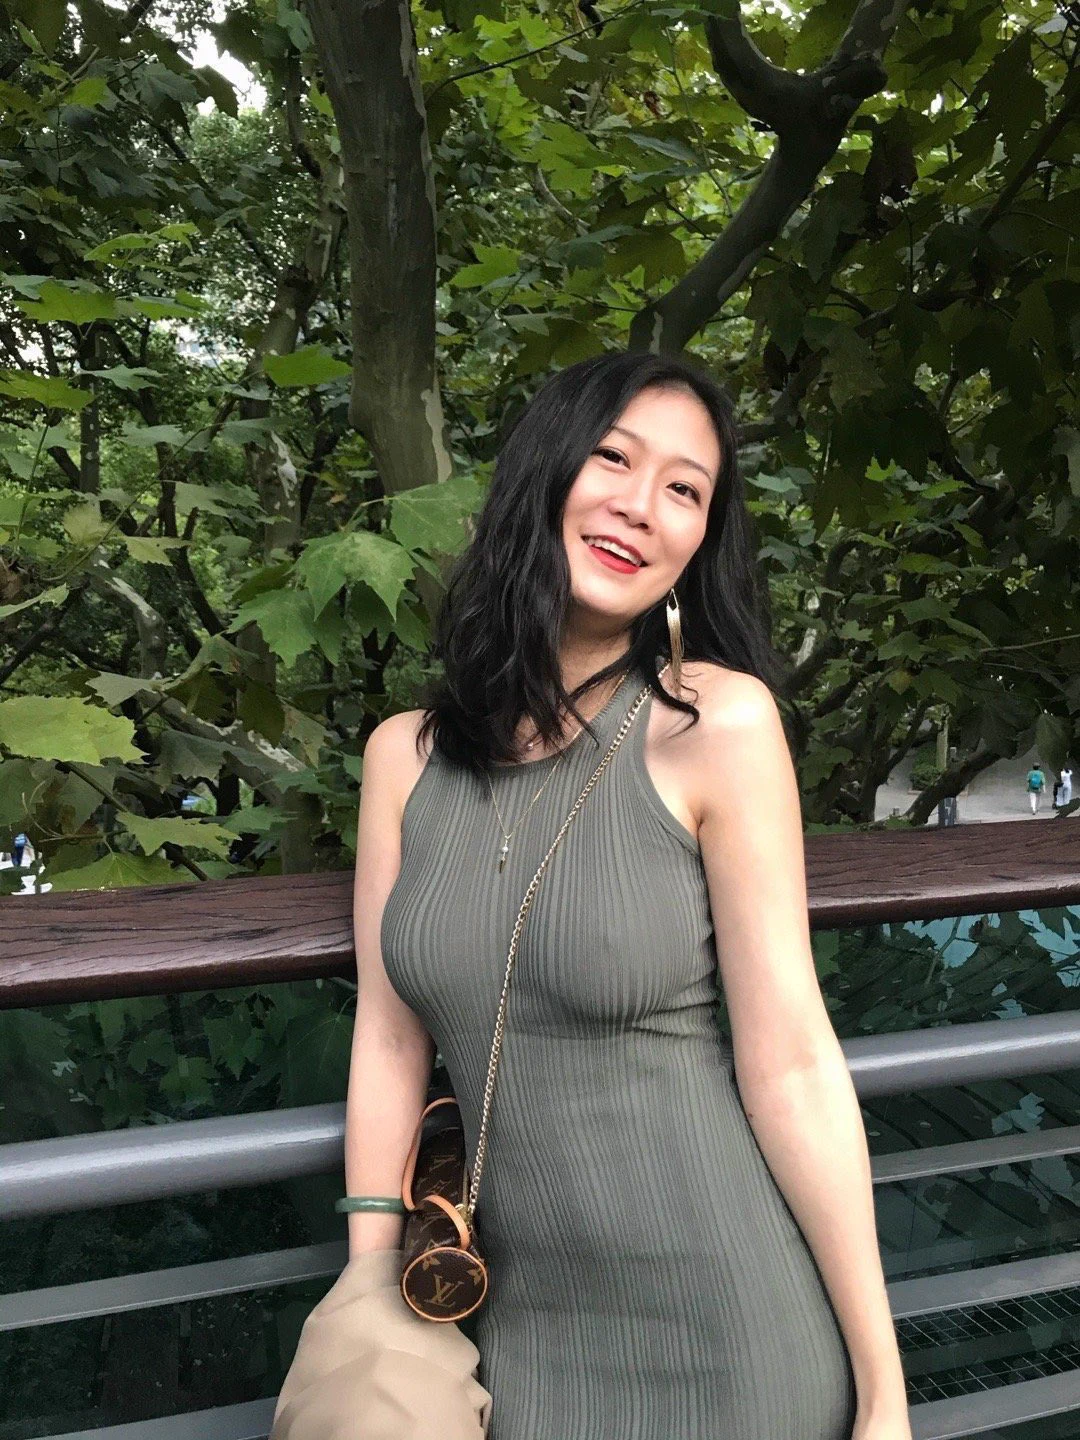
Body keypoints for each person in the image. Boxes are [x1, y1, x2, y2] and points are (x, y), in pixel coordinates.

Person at [343, 353, 910, 1439]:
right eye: (614, 458)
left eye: (685, 489)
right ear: (545, 472)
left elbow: (793, 1062)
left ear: (699, 541)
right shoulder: (403, 760)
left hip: (728, 1334)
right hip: (502, 1331)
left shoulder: (717, 725)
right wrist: (373, 1295)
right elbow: (388, 1039)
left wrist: (884, 1391)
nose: (642, 506)